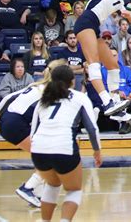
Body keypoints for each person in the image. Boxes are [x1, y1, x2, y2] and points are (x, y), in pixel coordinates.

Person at [0, 59, 67, 207]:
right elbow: (39, 117)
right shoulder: (50, 92)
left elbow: (9, 97)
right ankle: (27, 188)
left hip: (7, 121)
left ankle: (38, 195)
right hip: (16, 124)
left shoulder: (36, 85)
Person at [29, 65, 101, 221]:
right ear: (72, 81)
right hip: (64, 149)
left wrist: (36, 153)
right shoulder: (80, 98)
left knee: (52, 185)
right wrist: (97, 150)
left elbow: (33, 131)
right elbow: (92, 129)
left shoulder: (43, 99)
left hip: (38, 150)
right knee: (74, 190)